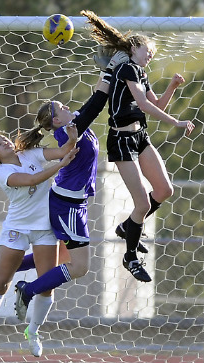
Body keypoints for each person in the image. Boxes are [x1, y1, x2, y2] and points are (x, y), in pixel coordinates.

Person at [13, 50, 129, 323]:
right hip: (67, 206)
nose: (65, 106)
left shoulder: (73, 122)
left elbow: (94, 100)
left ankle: (9, 269)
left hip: (72, 203)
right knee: (79, 267)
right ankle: (27, 290)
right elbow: (95, 106)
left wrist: (112, 73)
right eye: (59, 107)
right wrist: (111, 70)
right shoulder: (67, 131)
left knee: (58, 253)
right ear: (55, 121)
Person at [80, 10, 195, 283]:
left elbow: (156, 105)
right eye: (148, 51)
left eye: (153, 54)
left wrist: (173, 86)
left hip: (140, 138)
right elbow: (144, 105)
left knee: (164, 190)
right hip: (120, 141)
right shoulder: (127, 68)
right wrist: (177, 123)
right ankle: (130, 256)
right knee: (142, 202)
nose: (150, 56)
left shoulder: (140, 73)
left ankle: (127, 226)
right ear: (133, 48)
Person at [0, 126, 78, 363]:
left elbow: (63, 150)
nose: (5, 143)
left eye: (5, 139)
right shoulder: (4, 172)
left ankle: (33, 332)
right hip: (16, 229)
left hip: (44, 229)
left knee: (46, 285)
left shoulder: (29, 154)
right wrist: (61, 165)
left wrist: (71, 139)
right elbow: (32, 179)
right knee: (1, 282)